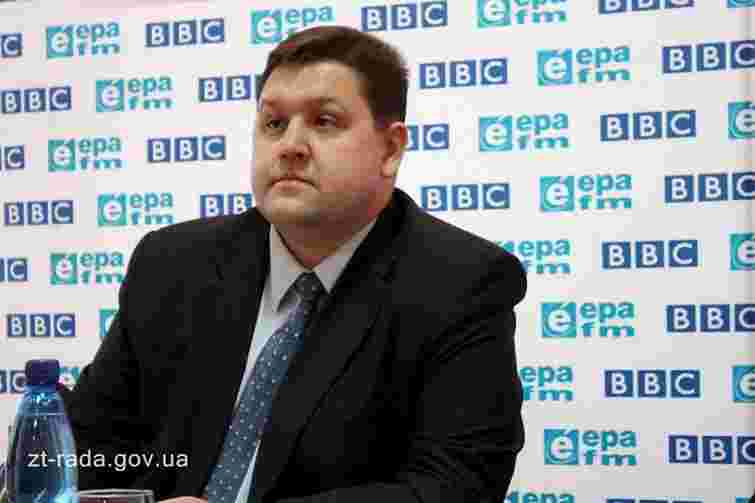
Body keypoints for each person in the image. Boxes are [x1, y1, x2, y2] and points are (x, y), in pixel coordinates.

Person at [60, 25, 527, 503]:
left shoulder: (460, 281)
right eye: (274, 123)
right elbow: (88, 451)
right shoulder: (173, 264)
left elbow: (454, 486)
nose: (290, 145)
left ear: (390, 149)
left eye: (325, 121)